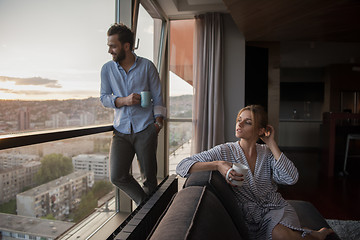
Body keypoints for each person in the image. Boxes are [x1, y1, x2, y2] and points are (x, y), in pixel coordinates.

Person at [176, 105, 333, 240]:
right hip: (250, 219)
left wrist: (272, 143)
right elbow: (182, 166)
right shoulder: (225, 151)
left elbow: (291, 178)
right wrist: (219, 165)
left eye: (248, 122)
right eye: (239, 120)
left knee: (279, 234)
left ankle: (310, 235)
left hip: (276, 208)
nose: (240, 124)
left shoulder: (267, 152)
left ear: (260, 131)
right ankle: (313, 236)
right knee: (280, 234)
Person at [100, 23, 166, 206]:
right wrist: (124, 100)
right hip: (120, 131)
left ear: (126, 46)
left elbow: (158, 100)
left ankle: (151, 220)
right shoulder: (107, 69)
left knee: (150, 181)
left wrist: (157, 125)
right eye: (109, 46)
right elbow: (104, 98)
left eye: (113, 46)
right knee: (117, 176)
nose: (109, 50)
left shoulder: (147, 67)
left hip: (146, 128)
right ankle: (148, 207)